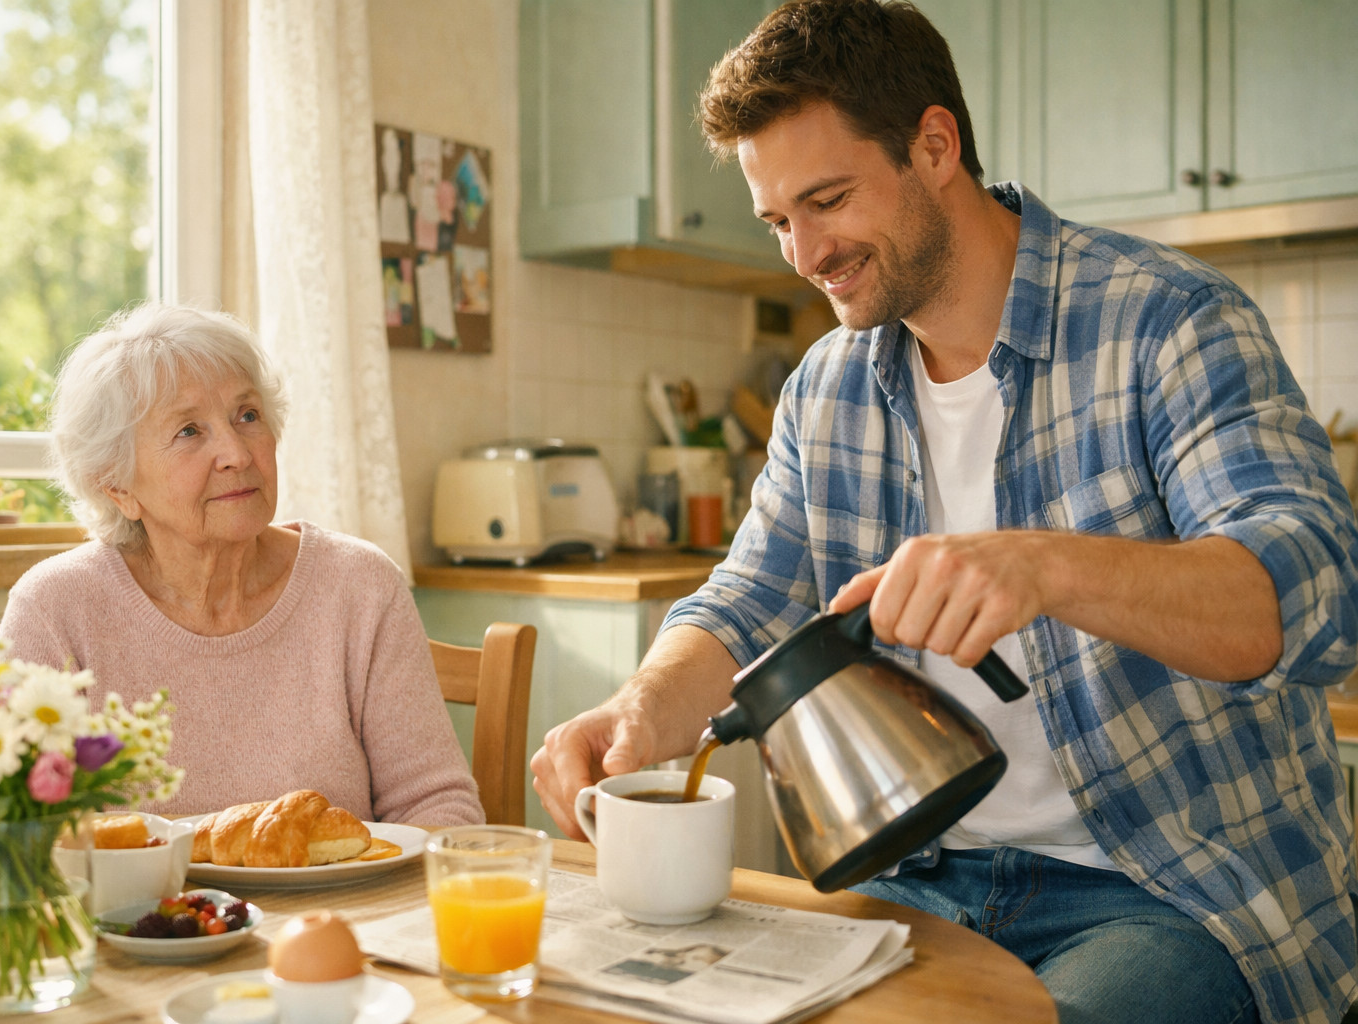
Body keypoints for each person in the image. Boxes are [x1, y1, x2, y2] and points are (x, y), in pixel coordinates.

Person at [530, 3, 1358, 1023]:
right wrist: (643, 709)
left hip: (1169, 892)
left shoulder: (1169, 321)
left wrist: (1043, 567)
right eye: (778, 219)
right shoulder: (827, 386)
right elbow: (749, 599)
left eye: (826, 200)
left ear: (934, 145)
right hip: (924, 881)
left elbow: (1313, 590)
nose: (803, 254)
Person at [0, 302, 484, 826]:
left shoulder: (361, 586)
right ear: (117, 486)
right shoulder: (55, 609)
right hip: (137, 911)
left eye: (247, 416)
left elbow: (438, 806)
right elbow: (13, 836)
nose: (236, 452)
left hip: (344, 910)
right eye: (189, 431)